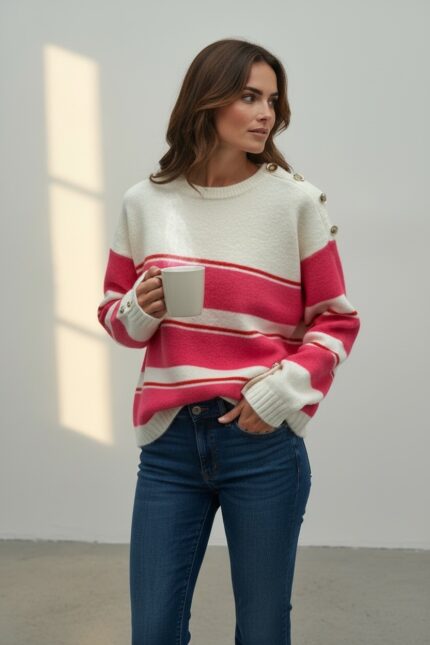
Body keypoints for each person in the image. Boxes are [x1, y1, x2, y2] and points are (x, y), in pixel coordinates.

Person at [97, 38, 361, 645]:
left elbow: (336, 321)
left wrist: (278, 396)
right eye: (249, 97)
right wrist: (140, 307)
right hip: (169, 445)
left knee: (263, 631)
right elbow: (116, 318)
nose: (267, 113)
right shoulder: (145, 202)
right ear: (207, 100)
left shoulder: (295, 202)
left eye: (272, 100)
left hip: (261, 443)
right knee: (153, 631)